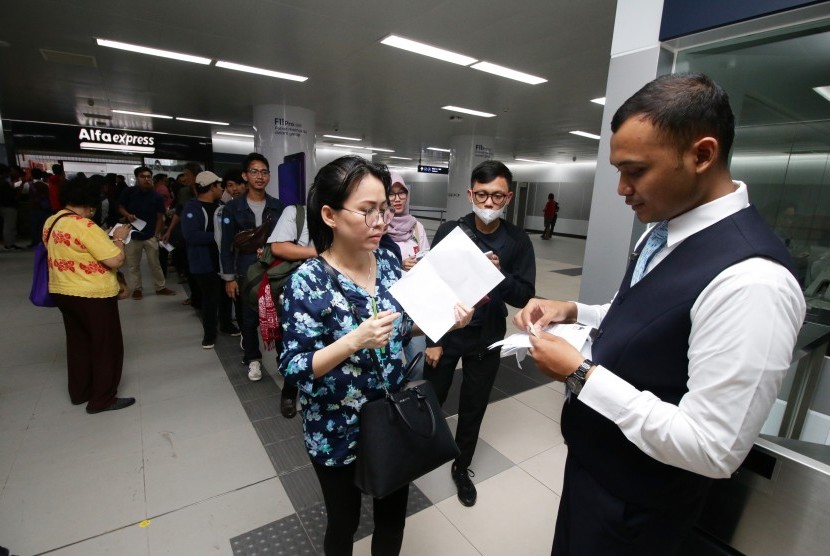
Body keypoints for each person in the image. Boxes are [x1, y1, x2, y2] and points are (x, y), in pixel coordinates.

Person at [513, 73, 806, 555]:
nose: (622, 189)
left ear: (702, 155)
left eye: (636, 171)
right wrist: (574, 309)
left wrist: (581, 375)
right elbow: (656, 314)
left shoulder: (754, 281)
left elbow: (714, 448)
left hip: (639, 511)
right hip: (597, 472)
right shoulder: (666, 231)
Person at [279, 156, 471, 555]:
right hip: (336, 429)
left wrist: (445, 323)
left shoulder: (386, 262)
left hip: (391, 417)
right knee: (343, 522)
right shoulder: (306, 282)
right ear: (330, 215)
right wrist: (353, 341)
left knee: (391, 516)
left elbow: (401, 329)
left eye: (383, 209)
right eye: (367, 211)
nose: (380, 221)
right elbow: (295, 368)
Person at [423, 160, 536, 507]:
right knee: (430, 398)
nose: (489, 204)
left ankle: (462, 466)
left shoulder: (517, 241)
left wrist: (499, 276)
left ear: (509, 198)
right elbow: (431, 287)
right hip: (448, 333)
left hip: (487, 334)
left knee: (474, 406)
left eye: (497, 197)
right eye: (483, 195)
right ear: (471, 193)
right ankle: (419, 451)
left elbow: (524, 296)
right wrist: (433, 340)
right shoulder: (449, 232)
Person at [45, 177, 135, 413]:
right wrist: (118, 238)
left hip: (63, 290)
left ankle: (80, 392)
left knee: (78, 344)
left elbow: (74, 250)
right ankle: (102, 399)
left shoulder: (53, 221)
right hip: (92, 294)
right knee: (105, 346)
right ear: (90, 203)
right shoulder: (85, 225)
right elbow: (115, 259)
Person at [221, 153, 285, 381]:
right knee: (248, 318)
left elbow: (286, 240)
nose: (260, 176)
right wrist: (229, 278)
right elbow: (226, 246)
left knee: (277, 316)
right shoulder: (233, 208)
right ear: (245, 175)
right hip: (246, 269)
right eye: (255, 171)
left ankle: (283, 360)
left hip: (274, 269)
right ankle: (253, 359)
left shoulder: (278, 207)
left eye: (264, 172)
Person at [181, 171, 239, 349]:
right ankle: (209, 334)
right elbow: (191, 236)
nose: (222, 189)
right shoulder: (192, 208)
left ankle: (226, 324)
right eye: (220, 186)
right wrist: (220, 237)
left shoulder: (222, 206)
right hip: (204, 262)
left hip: (222, 261)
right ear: (211, 187)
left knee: (225, 296)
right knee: (210, 298)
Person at [385, 172, 430, 380]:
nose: (397, 199)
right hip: (387, 307)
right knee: (386, 366)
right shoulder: (380, 227)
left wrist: (420, 264)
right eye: (392, 194)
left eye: (401, 193)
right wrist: (399, 265)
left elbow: (428, 260)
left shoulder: (416, 227)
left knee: (417, 365)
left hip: (414, 305)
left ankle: (409, 403)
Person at [118, 166, 177, 299]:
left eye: (148, 177)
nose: (146, 179)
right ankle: (137, 288)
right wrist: (127, 215)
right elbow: (120, 207)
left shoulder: (156, 195)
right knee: (133, 265)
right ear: (137, 178)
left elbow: (160, 216)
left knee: (155, 263)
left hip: (151, 234)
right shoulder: (129, 192)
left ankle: (160, 286)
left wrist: (157, 233)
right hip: (132, 234)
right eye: (143, 177)